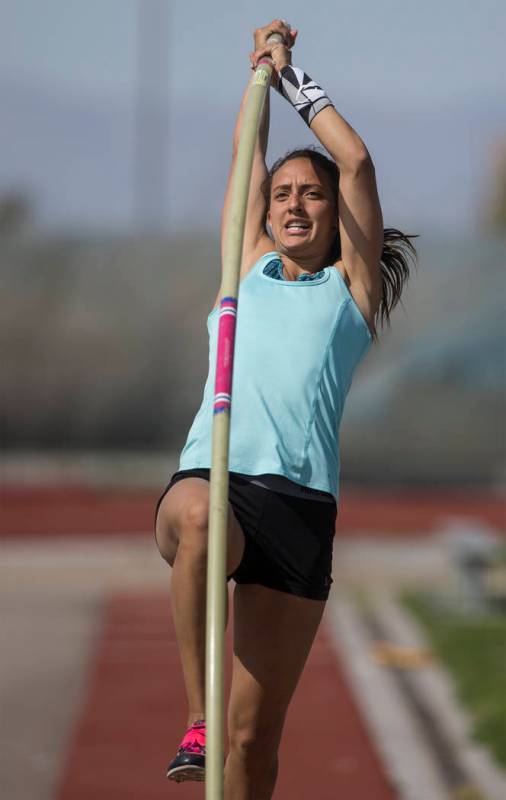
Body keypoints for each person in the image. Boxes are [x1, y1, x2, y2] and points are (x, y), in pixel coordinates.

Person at [154, 19, 417, 799]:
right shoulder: (245, 267)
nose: (293, 203)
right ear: (263, 211)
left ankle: (225, 739)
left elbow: (357, 160)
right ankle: (194, 717)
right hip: (216, 480)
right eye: (281, 195)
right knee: (199, 518)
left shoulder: (352, 293)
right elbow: (248, 158)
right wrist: (261, 75)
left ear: (335, 215)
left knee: (256, 741)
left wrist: (299, 79)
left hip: (300, 512)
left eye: (310, 194)